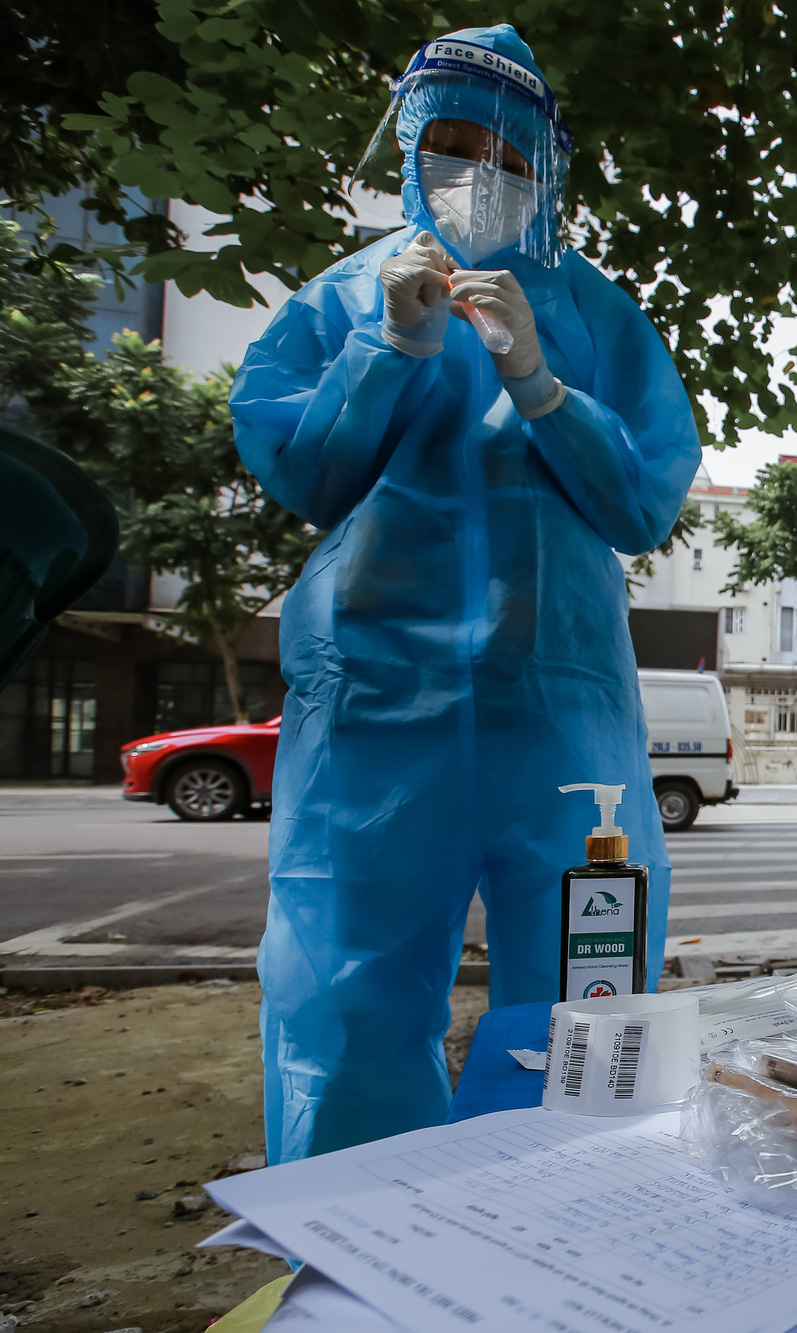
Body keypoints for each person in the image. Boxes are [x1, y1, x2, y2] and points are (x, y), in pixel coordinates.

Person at [231, 25, 700, 1163]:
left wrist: (542, 384)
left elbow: (643, 504)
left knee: (593, 1001)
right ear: (405, 145)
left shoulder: (594, 315)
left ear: (548, 161)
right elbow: (304, 473)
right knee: (346, 997)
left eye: (506, 150)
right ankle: (359, 1245)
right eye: (448, 142)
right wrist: (385, 350)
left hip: (562, 714)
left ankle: (580, 1224)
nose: (477, 171)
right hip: (377, 707)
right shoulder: (342, 301)